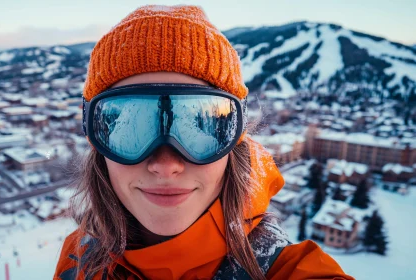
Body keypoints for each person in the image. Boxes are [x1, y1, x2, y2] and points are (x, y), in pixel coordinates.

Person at [54, 5, 354, 280]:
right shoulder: (76, 259)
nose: (166, 165)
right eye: (130, 126)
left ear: (234, 140)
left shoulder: (289, 271)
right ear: (97, 142)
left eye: (199, 124)